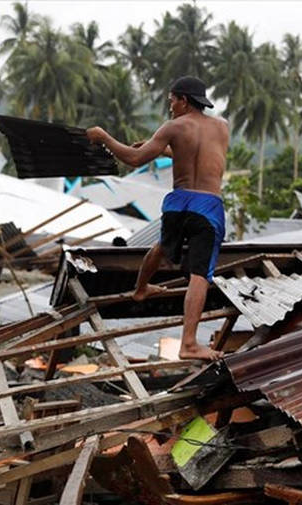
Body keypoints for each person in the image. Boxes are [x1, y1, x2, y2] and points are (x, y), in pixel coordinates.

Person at [86, 75, 228, 361]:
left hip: (179, 202)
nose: (171, 107)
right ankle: (189, 343)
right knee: (200, 275)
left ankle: (140, 289)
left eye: (172, 101)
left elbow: (134, 159)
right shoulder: (222, 128)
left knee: (163, 246)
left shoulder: (173, 128)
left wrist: (104, 137)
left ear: (184, 100)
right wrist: (164, 148)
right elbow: (202, 153)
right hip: (207, 207)